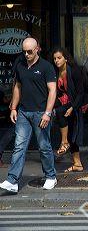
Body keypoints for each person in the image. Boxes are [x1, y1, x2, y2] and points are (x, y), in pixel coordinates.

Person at [0, 38, 57, 193]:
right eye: (24, 51)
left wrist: (47, 113)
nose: (26, 54)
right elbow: (17, 87)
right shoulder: (20, 66)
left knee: (44, 146)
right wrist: (13, 108)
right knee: (19, 146)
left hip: (41, 112)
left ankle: (51, 176)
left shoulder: (47, 67)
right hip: (24, 112)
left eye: (29, 51)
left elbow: (52, 90)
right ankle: (12, 180)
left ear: (37, 49)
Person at [52, 48, 88, 172]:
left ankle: (64, 142)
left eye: (59, 58)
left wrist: (73, 107)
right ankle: (77, 163)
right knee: (71, 130)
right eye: (55, 58)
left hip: (76, 103)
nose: (56, 60)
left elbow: (80, 92)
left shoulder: (74, 71)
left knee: (62, 113)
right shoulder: (56, 72)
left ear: (66, 58)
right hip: (64, 103)